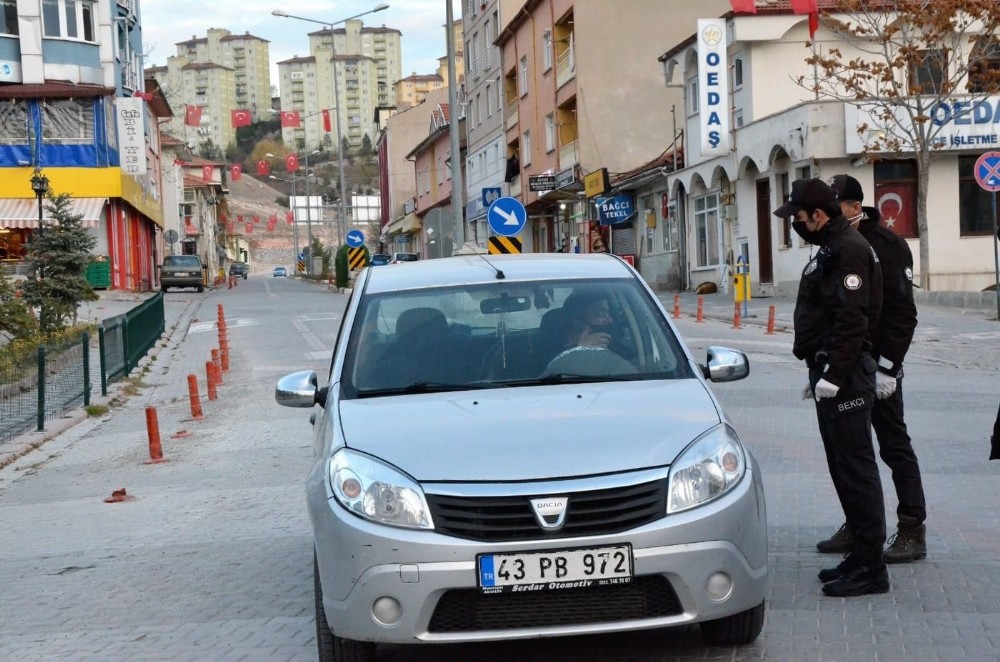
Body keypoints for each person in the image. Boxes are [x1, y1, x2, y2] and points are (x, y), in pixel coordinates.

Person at [774, 178, 888, 597]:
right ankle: (860, 553)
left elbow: (853, 321)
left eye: (799, 218)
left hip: (846, 377)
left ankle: (872, 567)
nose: (797, 225)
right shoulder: (832, 245)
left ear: (818, 216)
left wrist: (834, 376)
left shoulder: (848, 249)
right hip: (830, 371)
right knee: (842, 468)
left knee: (856, 470)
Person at [809, 174, 926, 563]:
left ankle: (911, 527)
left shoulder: (888, 246)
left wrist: (889, 369)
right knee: (850, 454)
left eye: (834, 206)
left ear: (855, 207)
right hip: (847, 366)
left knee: (894, 446)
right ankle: (858, 525)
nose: (825, 214)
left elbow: (902, 314)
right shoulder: (832, 244)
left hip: (878, 366)